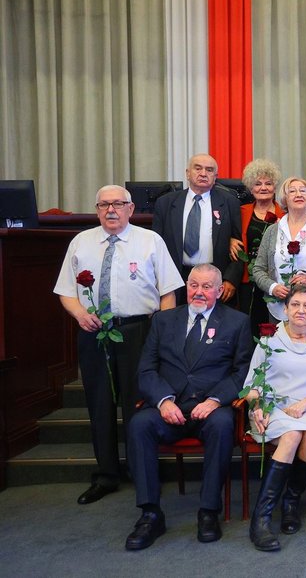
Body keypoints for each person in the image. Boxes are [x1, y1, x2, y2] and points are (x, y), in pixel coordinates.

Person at [54, 185, 183, 505]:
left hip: (137, 331)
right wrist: (80, 315)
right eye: (104, 205)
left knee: (137, 402)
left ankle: (141, 469)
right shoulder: (81, 242)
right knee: (99, 404)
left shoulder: (150, 240)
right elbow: (65, 290)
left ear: (130, 207)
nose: (111, 210)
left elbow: (168, 291)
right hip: (94, 332)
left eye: (118, 204)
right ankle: (107, 474)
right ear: (97, 209)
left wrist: (160, 333)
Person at [124, 264, 253, 550]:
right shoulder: (163, 321)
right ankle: (150, 514)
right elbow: (146, 369)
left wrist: (215, 400)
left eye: (207, 287)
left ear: (220, 291)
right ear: (186, 286)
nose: (199, 292)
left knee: (222, 424)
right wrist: (163, 401)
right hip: (170, 405)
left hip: (210, 406)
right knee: (139, 424)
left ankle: (208, 511)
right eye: (194, 285)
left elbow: (242, 371)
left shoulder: (237, 322)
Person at [245, 285, 306, 551]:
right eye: (295, 305)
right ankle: (261, 520)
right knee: (291, 436)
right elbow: (253, 386)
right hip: (272, 406)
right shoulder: (269, 339)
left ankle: (291, 502)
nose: (301, 310)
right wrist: (256, 407)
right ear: (285, 309)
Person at [152, 153, 243, 304]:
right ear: (187, 173)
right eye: (198, 168)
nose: (203, 174)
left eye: (209, 170)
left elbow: (239, 244)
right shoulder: (166, 203)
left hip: (214, 279)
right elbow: (155, 245)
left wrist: (230, 279)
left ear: (215, 176)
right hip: (176, 280)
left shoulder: (229, 202)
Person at [252, 176, 306, 323]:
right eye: (292, 191)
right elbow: (258, 269)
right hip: (280, 308)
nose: (298, 194)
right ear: (284, 198)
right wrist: (272, 287)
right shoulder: (272, 231)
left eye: (303, 191)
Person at [231, 159, 284, 331]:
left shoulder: (284, 215)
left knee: (272, 324)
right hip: (247, 279)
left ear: (274, 187)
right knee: (248, 323)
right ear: (250, 188)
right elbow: (228, 232)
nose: (263, 188)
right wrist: (229, 240)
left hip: (275, 280)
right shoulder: (240, 212)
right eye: (258, 184)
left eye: (268, 184)